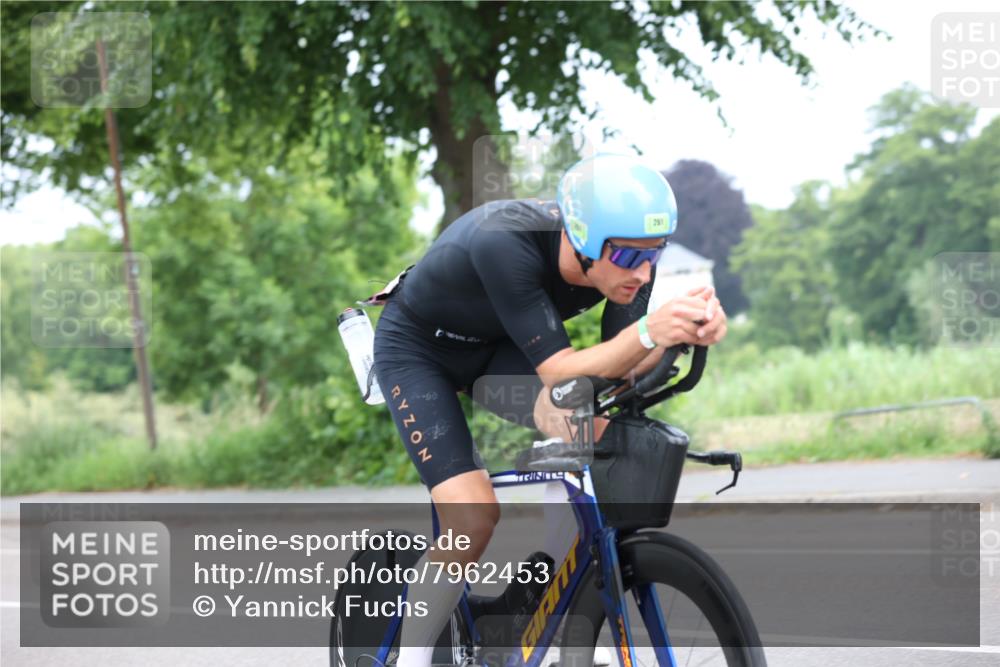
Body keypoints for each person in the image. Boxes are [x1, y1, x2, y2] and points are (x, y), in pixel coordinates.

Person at [372, 154, 728, 667]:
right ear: (583, 238)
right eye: (630, 256)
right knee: (473, 516)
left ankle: (550, 609)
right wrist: (651, 332)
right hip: (419, 351)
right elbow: (562, 371)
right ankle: (411, 659)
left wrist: (685, 333)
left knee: (594, 436)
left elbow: (621, 367)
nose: (643, 271)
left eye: (655, 254)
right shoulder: (505, 241)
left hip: (495, 349)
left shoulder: (629, 262)